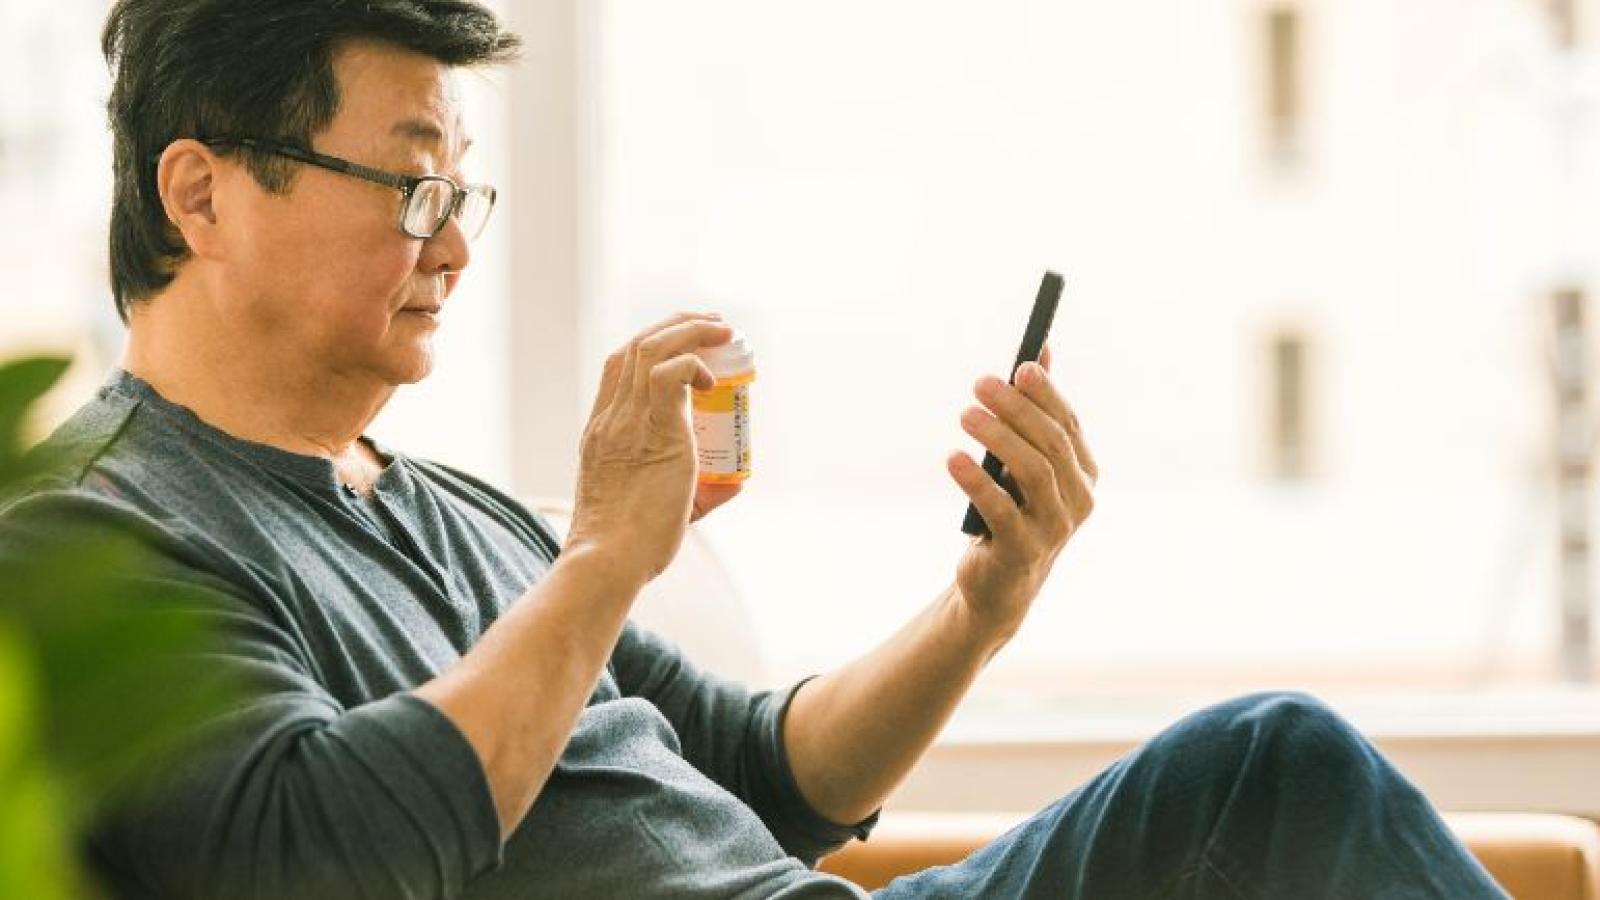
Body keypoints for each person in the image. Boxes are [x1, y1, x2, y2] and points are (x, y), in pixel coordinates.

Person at [0, 1, 1510, 898]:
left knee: (1269, 775)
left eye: (465, 193)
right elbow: (322, 856)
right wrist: (601, 557)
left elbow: (767, 773)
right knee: (1274, 771)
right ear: (202, 196)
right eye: (410, 190)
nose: (454, 244)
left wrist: (986, 604)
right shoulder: (98, 537)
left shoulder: (450, 510)